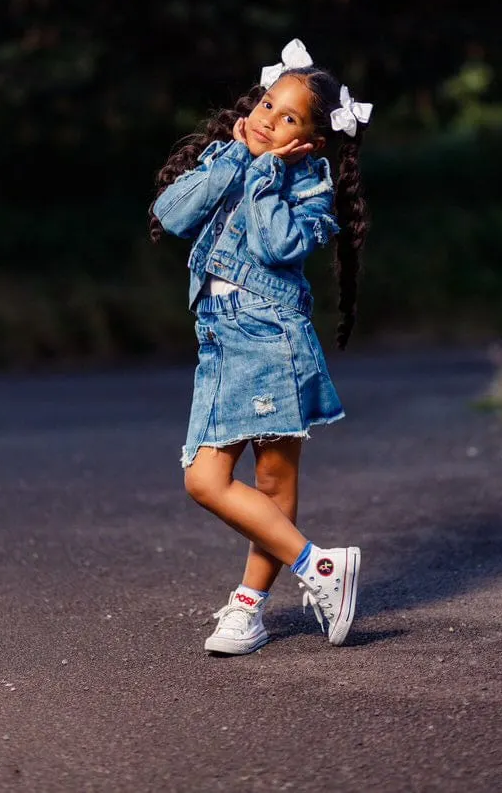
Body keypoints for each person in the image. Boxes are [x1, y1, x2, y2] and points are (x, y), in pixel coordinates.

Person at [150, 39, 372, 655]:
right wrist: (235, 162)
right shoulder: (230, 156)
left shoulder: (310, 191)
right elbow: (170, 213)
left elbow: (276, 247)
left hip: (271, 336)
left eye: (290, 118)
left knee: (267, 482)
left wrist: (269, 173)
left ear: (313, 141)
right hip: (220, 335)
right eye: (269, 105)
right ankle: (319, 567)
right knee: (208, 478)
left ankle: (249, 609)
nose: (270, 120)